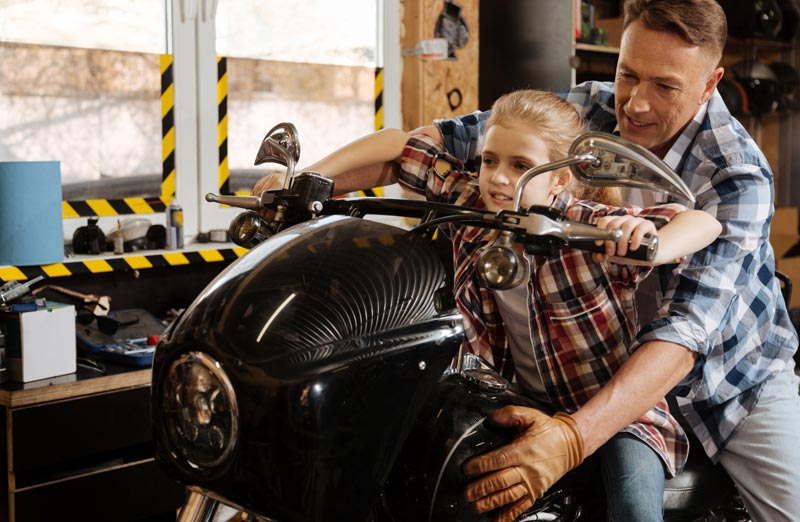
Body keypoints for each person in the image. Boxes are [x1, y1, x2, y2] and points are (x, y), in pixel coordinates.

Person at [253, 2, 800, 521]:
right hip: (570, 367)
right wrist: (304, 183)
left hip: (726, 378)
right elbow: (434, 143)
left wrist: (574, 436)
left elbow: (686, 333)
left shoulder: (737, 173)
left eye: (665, 86)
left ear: (710, 84)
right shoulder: (582, 111)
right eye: (628, 74)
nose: (633, 103)